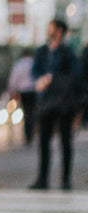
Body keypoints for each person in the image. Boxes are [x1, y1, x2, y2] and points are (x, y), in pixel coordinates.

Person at [28, 18, 79, 190]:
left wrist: (51, 79)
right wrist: (40, 80)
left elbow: (73, 77)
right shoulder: (42, 52)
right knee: (43, 141)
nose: (50, 31)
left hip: (63, 103)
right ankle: (42, 178)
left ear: (59, 31)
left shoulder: (67, 53)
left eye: (53, 28)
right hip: (46, 102)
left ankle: (65, 180)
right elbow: (34, 71)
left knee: (65, 141)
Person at [6, 51, 36, 144]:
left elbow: (13, 80)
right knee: (32, 112)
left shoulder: (18, 65)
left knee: (27, 113)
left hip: (23, 91)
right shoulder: (33, 63)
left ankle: (28, 135)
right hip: (33, 90)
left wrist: (12, 91)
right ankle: (32, 133)